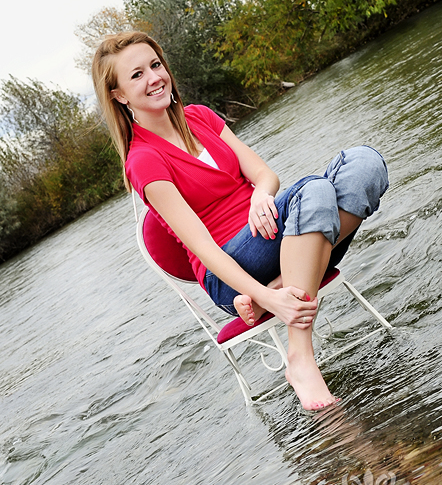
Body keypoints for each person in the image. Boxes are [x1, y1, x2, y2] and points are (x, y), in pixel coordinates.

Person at [92, 31, 389, 411]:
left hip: (273, 233)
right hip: (229, 271)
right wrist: (265, 297)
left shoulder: (199, 116)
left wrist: (260, 196)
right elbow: (202, 248)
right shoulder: (144, 161)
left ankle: (290, 277)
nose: (154, 78)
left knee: (365, 163)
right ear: (118, 95)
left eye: (155, 65)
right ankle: (301, 357)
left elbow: (264, 175)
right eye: (137, 75)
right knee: (313, 190)